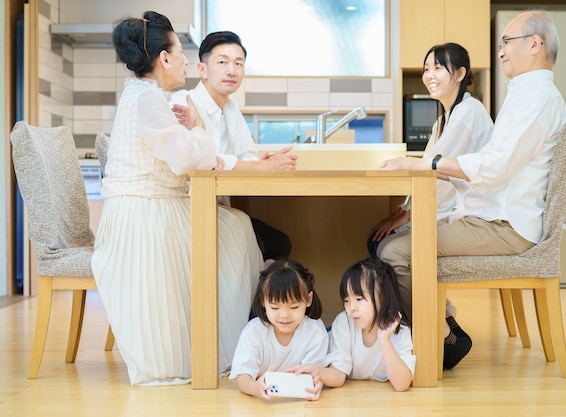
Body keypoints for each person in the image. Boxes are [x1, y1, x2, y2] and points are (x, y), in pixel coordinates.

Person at [379, 10, 566, 370]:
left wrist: (428, 165)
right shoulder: (525, 94)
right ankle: (439, 332)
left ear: (535, 44)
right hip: (493, 216)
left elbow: (494, 167)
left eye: (506, 43)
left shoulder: (537, 98)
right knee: (392, 245)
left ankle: (432, 343)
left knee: (393, 252)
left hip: (504, 226)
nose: (500, 52)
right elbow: (490, 163)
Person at [91, 11, 264, 386]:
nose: (186, 59)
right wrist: (200, 129)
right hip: (146, 213)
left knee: (236, 226)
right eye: (180, 51)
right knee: (237, 230)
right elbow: (187, 159)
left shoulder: (143, 95)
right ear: (164, 58)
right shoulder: (150, 100)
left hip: (146, 206)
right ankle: (225, 343)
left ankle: (231, 339)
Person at [171, 31, 295, 262]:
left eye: (238, 63)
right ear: (202, 69)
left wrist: (262, 164)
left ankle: (261, 297)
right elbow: (203, 163)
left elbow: (245, 156)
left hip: (219, 208)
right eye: (222, 62)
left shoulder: (231, 108)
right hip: (185, 211)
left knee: (279, 242)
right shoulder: (183, 102)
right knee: (260, 242)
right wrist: (256, 166)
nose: (232, 70)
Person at [368, 42, 493, 257]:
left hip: (468, 217)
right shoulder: (445, 118)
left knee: (381, 244)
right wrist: (407, 210)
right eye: (426, 69)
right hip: (450, 210)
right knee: (377, 239)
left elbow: (433, 171)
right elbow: (429, 166)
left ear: (460, 73)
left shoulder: (468, 113)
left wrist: (408, 214)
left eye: (438, 68)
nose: (429, 75)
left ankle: (421, 291)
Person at [290, 257, 415, 391]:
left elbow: (401, 384)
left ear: (383, 297)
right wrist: (316, 371)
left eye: (359, 299)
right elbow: (338, 375)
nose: (352, 307)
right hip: (324, 340)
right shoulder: (344, 323)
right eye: (346, 300)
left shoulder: (400, 329)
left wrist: (384, 340)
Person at [229, 259, 328, 400]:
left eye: (294, 307)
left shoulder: (315, 331)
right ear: (263, 300)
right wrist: (254, 387)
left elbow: (314, 374)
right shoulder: (253, 332)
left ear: (308, 299)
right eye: (275, 307)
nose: (284, 315)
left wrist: (318, 384)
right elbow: (242, 376)